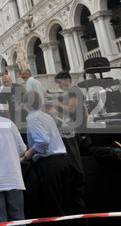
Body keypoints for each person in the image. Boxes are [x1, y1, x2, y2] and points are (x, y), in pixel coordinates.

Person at [21, 91, 69, 221]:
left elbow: (43, 141)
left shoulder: (32, 117)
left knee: (54, 205)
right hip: (61, 161)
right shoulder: (46, 116)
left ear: (26, 104)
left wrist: (27, 154)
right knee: (62, 202)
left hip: (49, 163)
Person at [52, 71, 88, 223]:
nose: (59, 86)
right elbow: (85, 111)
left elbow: (72, 110)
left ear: (67, 80)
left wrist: (56, 104)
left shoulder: (73, 91)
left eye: (60, 83)